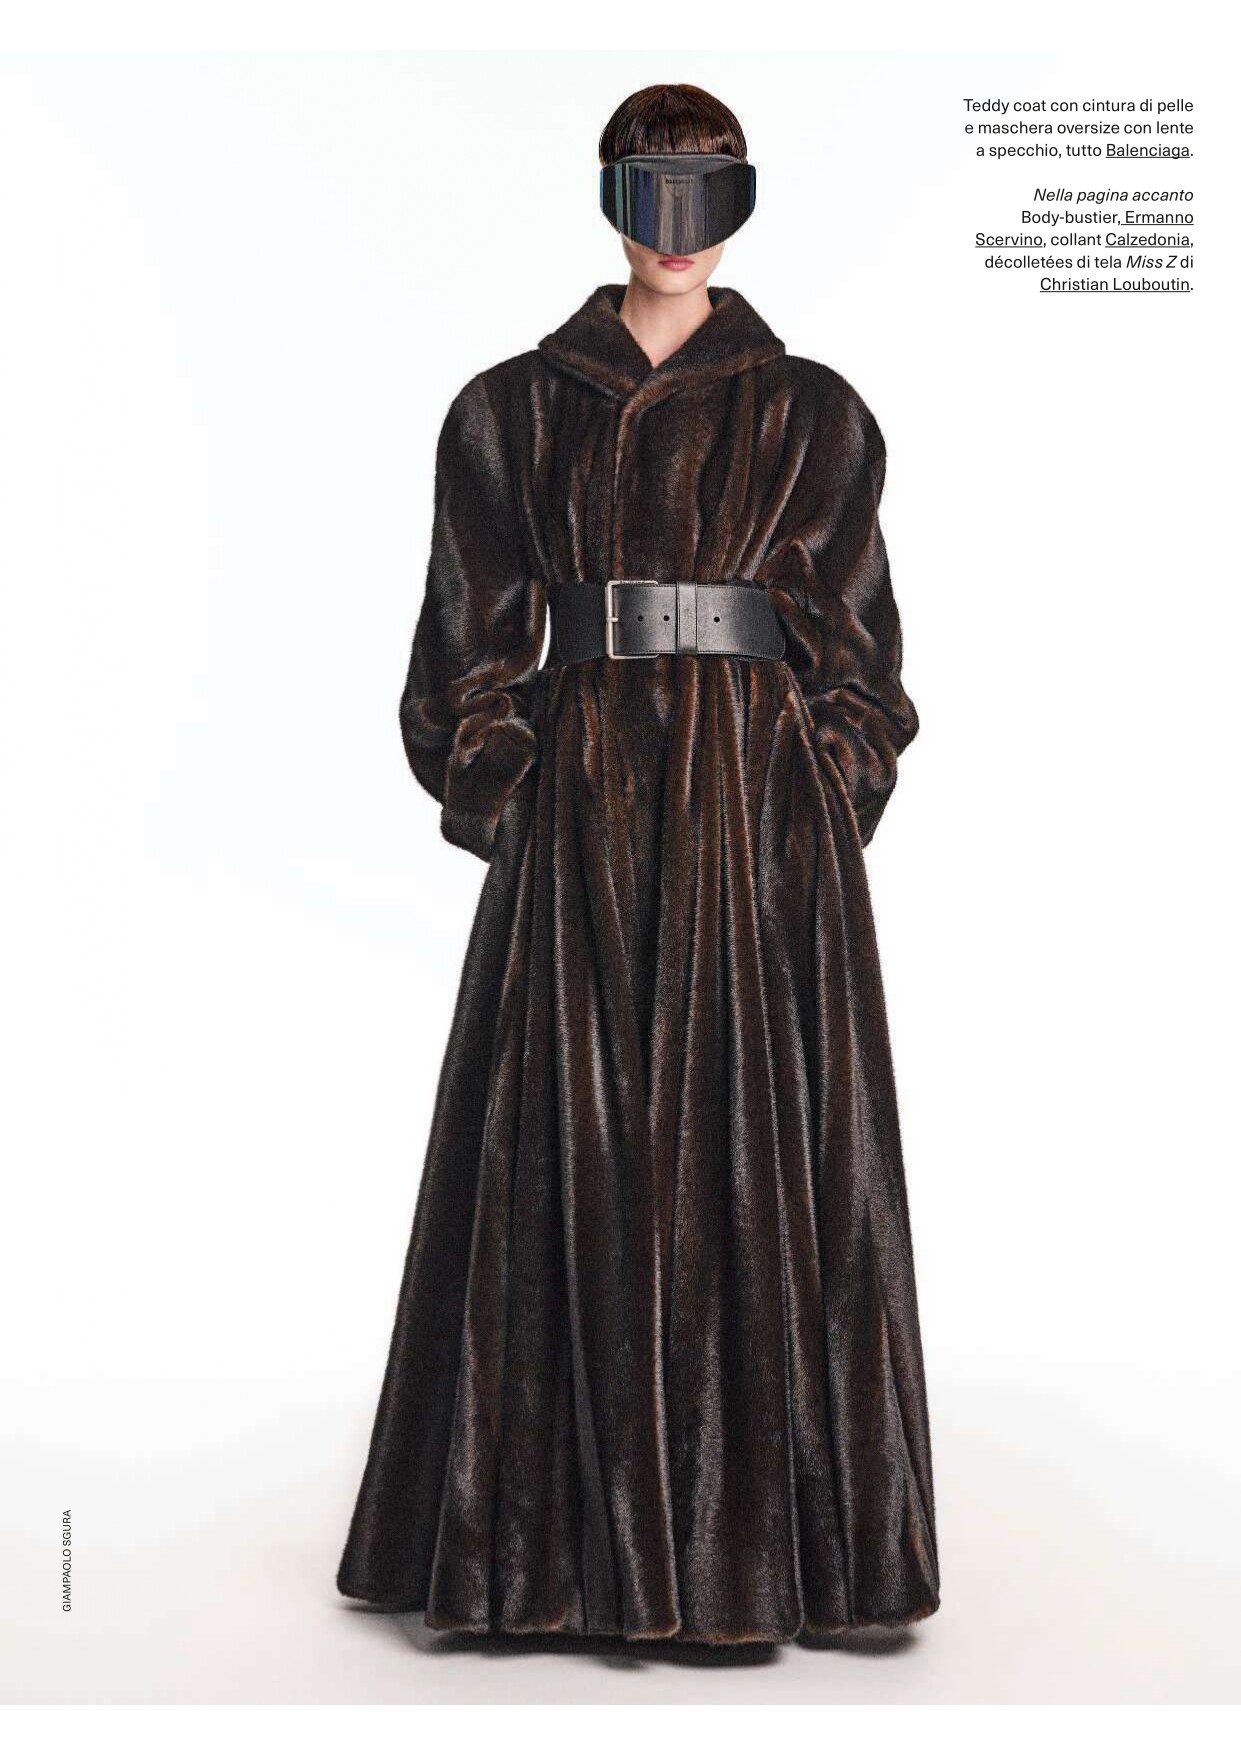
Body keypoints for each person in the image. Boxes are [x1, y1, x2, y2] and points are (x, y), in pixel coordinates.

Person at [336, 82, 939, 1646]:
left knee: (761, 1154)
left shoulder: (810, 413)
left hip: (757, 824)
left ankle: (772, 1559)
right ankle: (539, 1558)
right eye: (647, 191)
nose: (674, 231)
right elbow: (461, 647)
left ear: (744, 203)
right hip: (584, 807)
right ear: (605, 196)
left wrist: (817, 789)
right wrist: (516, 791)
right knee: (563, 1144)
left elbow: (862, 657)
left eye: (707, 193)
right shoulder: (510, 409)